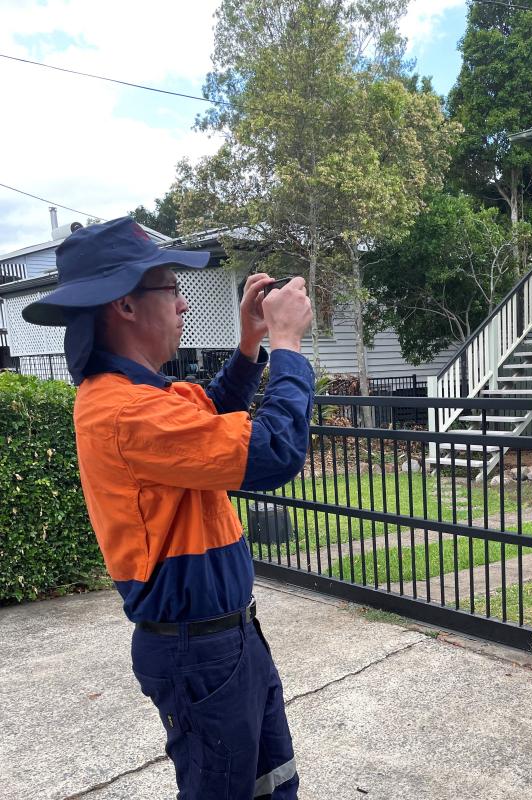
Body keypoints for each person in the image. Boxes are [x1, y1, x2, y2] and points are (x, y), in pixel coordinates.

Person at [22, 216, 314, 799]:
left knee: (271, 781)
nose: (183, 305)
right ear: (124, 305)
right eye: (171, 289)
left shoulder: (150, 397)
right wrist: (287, 345)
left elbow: (210, 415)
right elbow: (274, 451)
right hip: (197, 648)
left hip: (224, 638)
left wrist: (250, 345)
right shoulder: (127, 411)